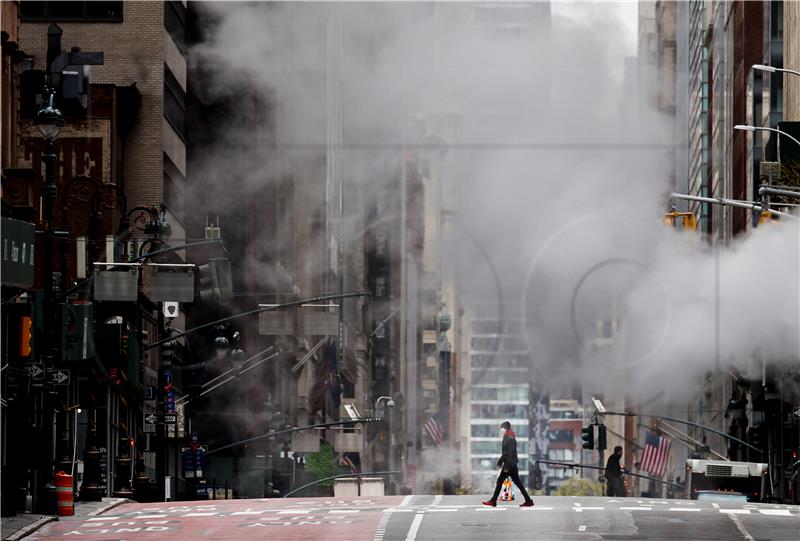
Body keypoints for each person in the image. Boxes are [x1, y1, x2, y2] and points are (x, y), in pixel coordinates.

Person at [482, 421, 534, 507]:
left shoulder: (509, 437)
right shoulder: (509, 436)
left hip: (509, 464)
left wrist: (506, 466)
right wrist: (500, 461)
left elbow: (510, 453)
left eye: (502, 429)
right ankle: (528, 500)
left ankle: (493, 501)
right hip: (512, 464)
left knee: (499, 481)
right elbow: (506, 453)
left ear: (505, 428)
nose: (501, 430)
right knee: (518, 483)